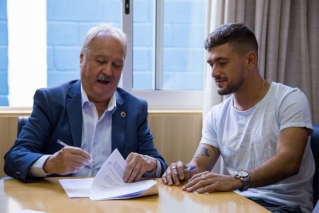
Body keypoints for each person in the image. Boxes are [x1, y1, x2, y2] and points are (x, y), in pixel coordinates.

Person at [162, 23, 314, 213]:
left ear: (249, 60)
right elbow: (199, 165)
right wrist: (182, 171)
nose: (214, 73)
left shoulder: (289, 100)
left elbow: (289, 161)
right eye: (211, 64)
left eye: (222, 63)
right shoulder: (217, 114)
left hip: (282, 205)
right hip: (236, 203)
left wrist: (235, 179)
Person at [4, 23, 167, 183]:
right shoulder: (51, 101)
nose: (108, 72)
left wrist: (150, 164)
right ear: (82, 58)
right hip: (60, 203)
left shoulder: (135, 108)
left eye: (116, 65)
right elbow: (15, 157)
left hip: (115, 204)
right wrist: (50, 163)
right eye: (101, 61)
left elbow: (158, 164)